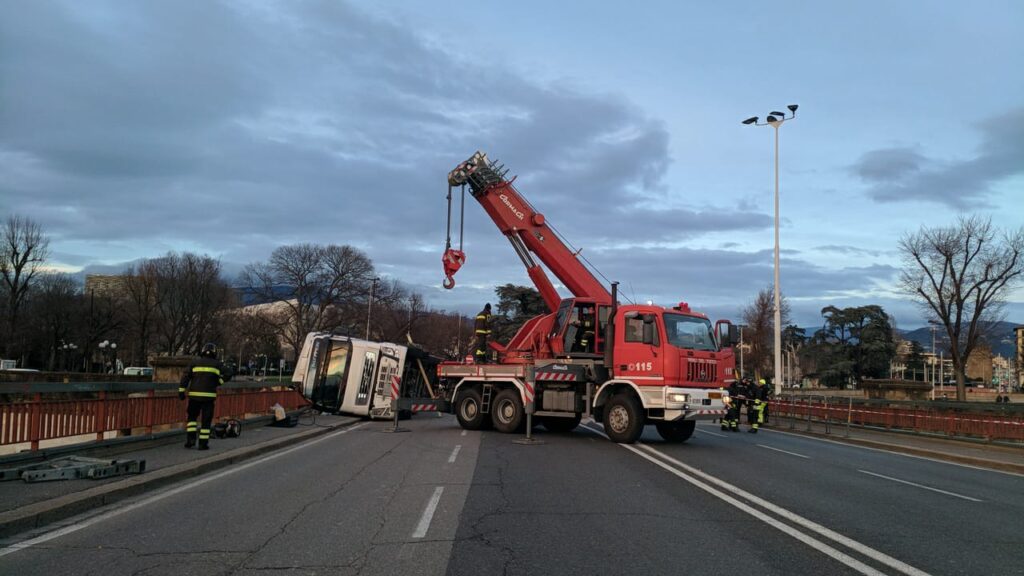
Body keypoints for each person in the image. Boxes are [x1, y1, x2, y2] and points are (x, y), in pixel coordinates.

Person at [179, 343, 230, 450]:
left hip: (194, 397)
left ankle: (190, 440)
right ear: (215, 352)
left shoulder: (195, 362)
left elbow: (185, 377)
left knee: (192, 419)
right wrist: (219, 381)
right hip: (208, 398)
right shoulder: (217, 364)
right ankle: (203, 444)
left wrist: (181, 391)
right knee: (206, 421)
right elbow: (229, 372)